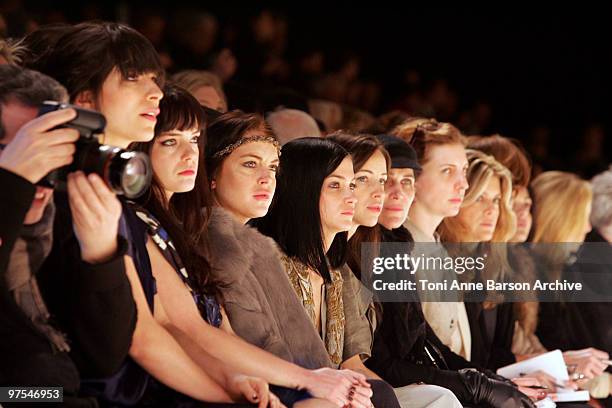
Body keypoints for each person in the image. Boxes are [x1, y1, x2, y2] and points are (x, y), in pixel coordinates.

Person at [131, 85, 361, 407]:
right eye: (336, 185)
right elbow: (182, 331)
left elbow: (213, 330)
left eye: (195, 142)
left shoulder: (344, 263)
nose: (188, 155)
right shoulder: (191, 235)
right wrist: (304, 380)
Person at [363, 135, 536, 408]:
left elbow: (430, 344)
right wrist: (479, 384)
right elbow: (383, 360)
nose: (462, 185)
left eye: (464, 172)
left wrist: (486, 382)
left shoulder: (416, 247)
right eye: (448, 171)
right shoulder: (392, 250)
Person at [0, 63, 131, 407]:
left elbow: (104, 358)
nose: (41, 174)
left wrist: (101, 255)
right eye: (24, 151)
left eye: (52, 153)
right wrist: (11, 185)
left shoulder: (56, 223)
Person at [256, 137, 401, 408]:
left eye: (352, 185)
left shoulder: (333, 275)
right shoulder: (271, 265)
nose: (352, 197)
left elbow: (350, 365)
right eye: (335, 185)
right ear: (303, 191)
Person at [328, 132, 463, 408]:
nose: (387, 192)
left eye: (406, 181)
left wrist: (479, 380)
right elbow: (373, 360)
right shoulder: (344, 261)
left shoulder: (394, 246)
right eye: (366, 179)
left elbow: (421, 338)